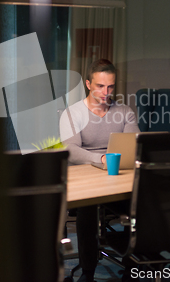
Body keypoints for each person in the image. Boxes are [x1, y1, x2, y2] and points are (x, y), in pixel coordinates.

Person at [60, 58, 140, 282]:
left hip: (119, 178)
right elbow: (71, 150)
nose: (106, 92)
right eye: (100, 86)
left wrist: (114, 163)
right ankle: (88, 272)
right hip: (87, 181)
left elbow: (135, 146)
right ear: (87, 84)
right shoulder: (72, 113)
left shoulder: (125, 112)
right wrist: (102, 159)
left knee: (143, 200)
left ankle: (132, 266)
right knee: (88, 206)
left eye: (111, 86)